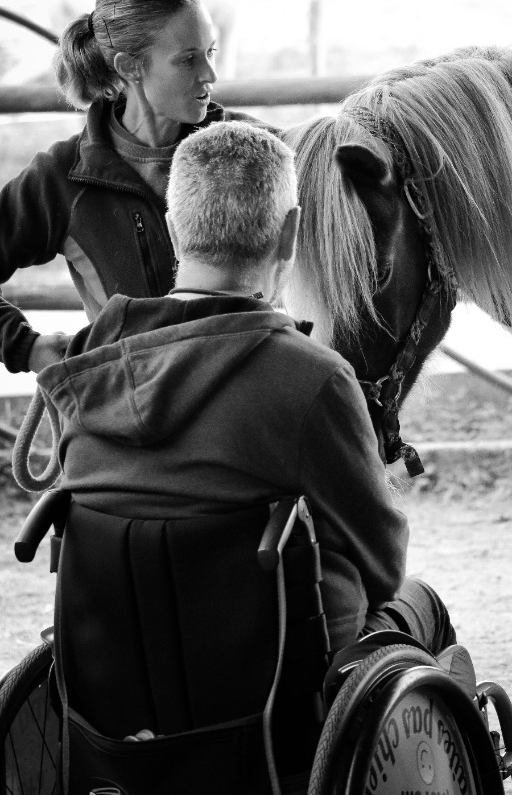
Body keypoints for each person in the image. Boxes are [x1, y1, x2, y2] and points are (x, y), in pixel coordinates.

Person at [37, 121, 455, 656]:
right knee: (424, 606)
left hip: (117, 682)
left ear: (172, 228)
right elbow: (382, 566)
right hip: (280, 688)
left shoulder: (88, 362)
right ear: (290, 233)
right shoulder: (314, 379)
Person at [0, 0, 244, 377]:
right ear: (129, 66)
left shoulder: (248, 151)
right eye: (188, 59)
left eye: (211, 52)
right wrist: (26, 347)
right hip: (129, 416)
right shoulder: (63, 179)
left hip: (243, 396)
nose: (210, 75)